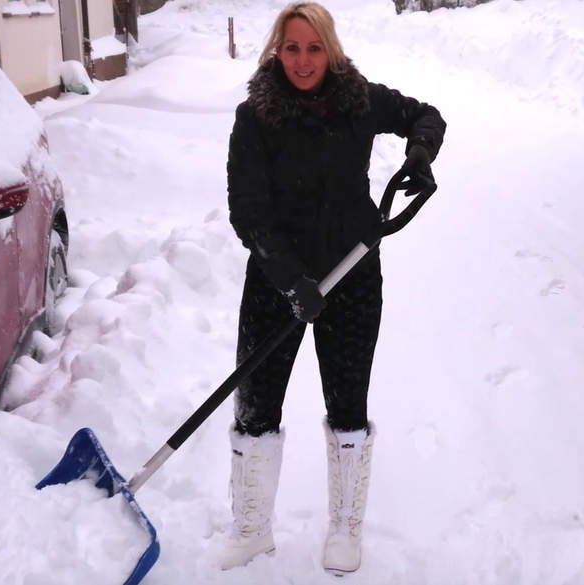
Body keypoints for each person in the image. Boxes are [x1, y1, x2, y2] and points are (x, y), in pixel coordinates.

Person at [221, 1, 446, 574]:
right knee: (255, 406)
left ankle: (346, 528)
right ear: (277, 50)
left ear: (331, 50)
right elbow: (247, 209)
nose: (302, 61)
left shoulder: (359, 100)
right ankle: (252, 528)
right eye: (292, 48)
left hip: (353, 273)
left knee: (348, 405)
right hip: (277, 281)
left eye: (314, 48)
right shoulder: (256, 116)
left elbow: (426, 115)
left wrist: (419, 154)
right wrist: (289, 280)